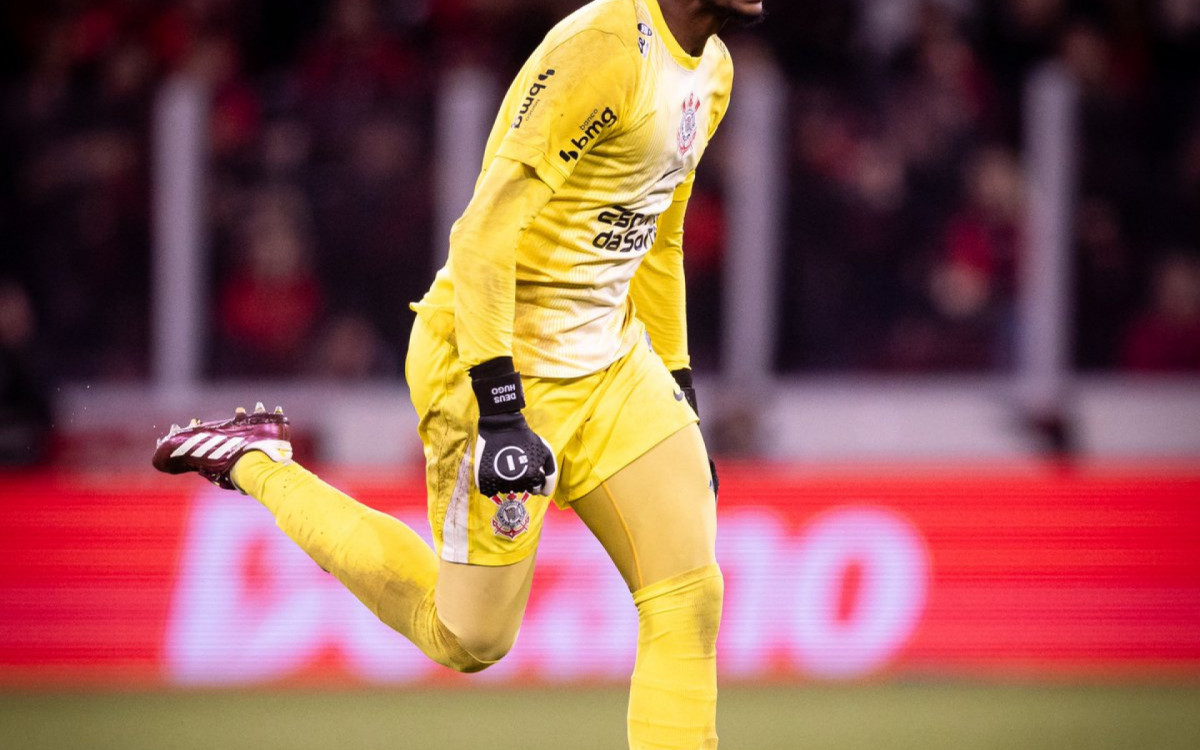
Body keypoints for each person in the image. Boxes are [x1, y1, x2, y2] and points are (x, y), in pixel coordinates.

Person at [154, 1, 763, 746]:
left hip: (611, 361)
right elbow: (481, 237)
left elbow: (660, 238)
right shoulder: (605, 51)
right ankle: (256, 461)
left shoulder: (715, 70)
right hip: (495, 356)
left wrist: (680, 387)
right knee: (471, 637)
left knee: (689, 596)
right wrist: (502, 407)